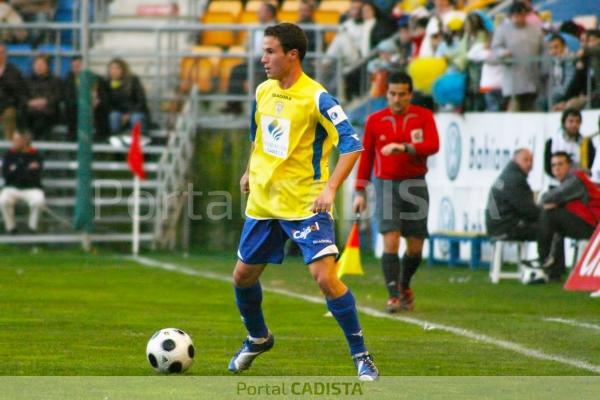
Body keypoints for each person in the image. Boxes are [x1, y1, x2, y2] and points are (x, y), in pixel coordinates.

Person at [228, 23, 378, 381]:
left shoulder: (318, 98)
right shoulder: (263, 91)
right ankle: (258, 337)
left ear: (292, 55)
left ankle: (362, 356)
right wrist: (250, 171)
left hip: (303, 205)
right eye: (263, 51)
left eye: (270, 51)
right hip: (264, 204)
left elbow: (352, 144)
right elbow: (257, 136)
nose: (262, 59)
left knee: (325, 277)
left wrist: (329, 190)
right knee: (242, 278)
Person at [353, 72, 440, 313]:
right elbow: (367, 156)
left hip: (415, 184)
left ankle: (404, 285)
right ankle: (393, 296)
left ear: (410, 94)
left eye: (402, 94)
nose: (397, 99)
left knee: (415, 246)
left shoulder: (423, 116)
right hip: (386, 183)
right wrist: (359, 191)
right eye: (392, 94)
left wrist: (405, 147)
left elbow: (433, 145)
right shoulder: (375, 120)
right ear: (387, 94)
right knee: (390, 238)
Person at [539, 152, 599, 280]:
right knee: (554, 220)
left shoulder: (575, 180)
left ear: (569, 166)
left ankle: (544, 259)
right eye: (553, 165)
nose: (556, 168)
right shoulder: (574, 178)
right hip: (589, 222)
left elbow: (549, 197)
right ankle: (554, 268)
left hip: (594, 227)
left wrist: (552, 203)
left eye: (560, 164)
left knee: (549, 216)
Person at [491, 0, 543, 111]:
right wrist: (503, 53)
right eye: (515, 15)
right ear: (510, 15)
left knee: (531, 109)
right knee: (514, 108)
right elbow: (495, 49)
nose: (519, 18)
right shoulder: (502, 30)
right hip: (512, 77)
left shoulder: (535, 30)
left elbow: (543, 49)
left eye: (522, 14)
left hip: (531, 76)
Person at [485, 148, 540, 240]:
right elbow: (528, 211)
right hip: (506, 228)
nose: (529, 164)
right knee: (550, 228)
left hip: (495, 227)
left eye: (531, 161)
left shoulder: (505, 176)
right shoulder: (515, 179)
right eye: (525, 160)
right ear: (514, 160)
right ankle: (548, 255)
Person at [0, 130, 45, 234]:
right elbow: (6, 175)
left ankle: (32, 229)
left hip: (32, 188)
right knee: (3, 200)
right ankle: (11, 229)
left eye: (17, 140)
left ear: (24, 141)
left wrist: (16, 169)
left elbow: (35, 176)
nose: (14, 142)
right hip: (12, 188)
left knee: (39, 201)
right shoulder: (8, 154)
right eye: (13, 139)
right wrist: (26, 169)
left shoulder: (36, 154)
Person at [544, 108, 595, 179]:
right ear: (564, 123)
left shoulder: (586, 143)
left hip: (578, 183)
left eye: (577, 122)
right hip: (556, 183)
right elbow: (547, 167)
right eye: (571, 121)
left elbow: (590, 165)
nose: (574, 125)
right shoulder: (552, 142)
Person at [105, 58, 150, 136]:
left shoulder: (133, 80)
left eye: (117, 68)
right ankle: (116, 136)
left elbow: (141, 101)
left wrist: (129, 114)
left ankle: (139, 138)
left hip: (136, 111)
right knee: (114, 116)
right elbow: (108, 104)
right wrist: (121, 114)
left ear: (123, 69)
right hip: (118, 112)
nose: (114, 71)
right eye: (112, 68)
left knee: (136, 118)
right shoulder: (106, 83)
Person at [24, 55, 62, 139]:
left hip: (49, 111)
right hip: (31, 111)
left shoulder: (55, 80)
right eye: (37, 64)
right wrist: (30, 102)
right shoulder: (26, 80)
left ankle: (39, 146)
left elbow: (58, 96)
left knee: (43, 118)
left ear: (47, 66)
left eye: (42, 64)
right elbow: (22, 96)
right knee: (29, 116)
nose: (39, 67)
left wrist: (45, 102)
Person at [0, 43, 26, 139]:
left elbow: (18, 92)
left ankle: (9, 147)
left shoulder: (14, 71)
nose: (0, 55)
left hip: (8, 105)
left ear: (6, 54)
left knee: (9, 115)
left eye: (2, 52)